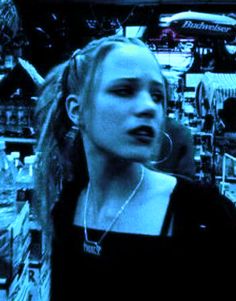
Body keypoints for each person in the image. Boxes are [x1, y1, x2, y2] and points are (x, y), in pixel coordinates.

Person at [34, 36, 236, 300]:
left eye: (156, 96)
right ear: (77, 109)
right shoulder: (68, 207)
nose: (148, 108)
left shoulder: (203, 215)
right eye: (124, 90)